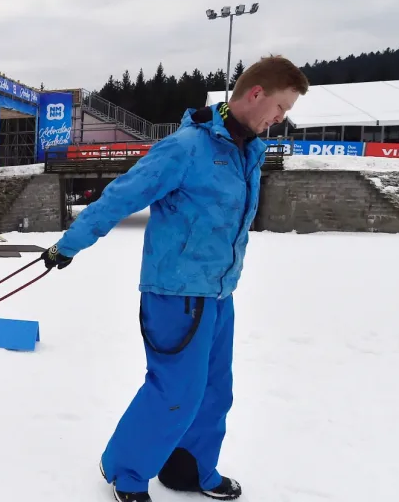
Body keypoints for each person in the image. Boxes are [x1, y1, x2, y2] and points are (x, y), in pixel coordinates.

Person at [40, 56, 310, 502]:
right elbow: (121, 196)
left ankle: (189, 468)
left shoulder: (247, 151)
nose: (282, 118)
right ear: (256, 94)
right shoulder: (186, 148)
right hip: (175, 293)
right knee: (176, 391)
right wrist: (68, 245)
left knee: (215, 391)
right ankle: (126, 472)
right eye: (281, 107)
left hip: (219, 293)